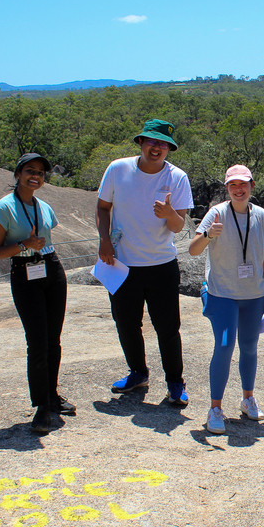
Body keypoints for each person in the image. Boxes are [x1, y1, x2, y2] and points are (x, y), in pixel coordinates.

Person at [96, 119, 193, 405]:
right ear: (141, 142)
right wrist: (103, 239)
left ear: (169, 149)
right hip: (123, 264)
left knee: (167, 327)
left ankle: (175, 381)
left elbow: (178, 226)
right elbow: (103, 207)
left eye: (163, 143)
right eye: (152, 141)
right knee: (126, 323)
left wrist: (168, 213)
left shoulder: (177, 178)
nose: (157, 147)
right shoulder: (118, 169)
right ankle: (138, 373)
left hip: (161, 265)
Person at [188, 165, 264, 435]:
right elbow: (193, 250)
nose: (239, 190)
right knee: (225, 346)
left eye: (244, 184)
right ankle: (215, 408)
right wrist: (207, 235)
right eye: (233, 185)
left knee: (249, 347)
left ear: (252, 185)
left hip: (253, 294)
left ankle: (247, 398)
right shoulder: (216, 213)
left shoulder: (260, 215)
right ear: (227, 188)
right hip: (222, 293)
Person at [0, 152, 73, 435]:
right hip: (25, 273)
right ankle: (40, 406)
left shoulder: (44, 207)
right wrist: (25, 244)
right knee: (37, 341)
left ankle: (52, 395)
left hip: (51, 268)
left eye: (40, 172)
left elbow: (47, 239)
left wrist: (38, 246)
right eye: (29, 171)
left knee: (53, 339)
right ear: (18, 174)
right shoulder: (4, 209)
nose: (35, 176)